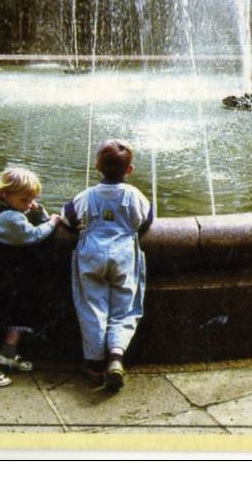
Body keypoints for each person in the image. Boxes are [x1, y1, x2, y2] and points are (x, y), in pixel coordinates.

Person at [61, 140, 154, 390]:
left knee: (91, 304)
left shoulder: (87, 195)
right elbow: (146, 220)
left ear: (97, 167)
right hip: (124, 253)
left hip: (91, 252)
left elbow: (68, 215)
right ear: (130, 170)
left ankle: (94, 363)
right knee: (125, 304)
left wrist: (78, 226)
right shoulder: (134, 195)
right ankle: (116, 355)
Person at [0, 167, 55, 387]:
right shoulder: (9, 218)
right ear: (4, 195)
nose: (29, 204)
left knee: (20, 313)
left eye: (32, 199)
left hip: (13, 278)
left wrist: (37, 210)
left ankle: (8, 353)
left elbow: (30, 221)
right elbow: (34, 235)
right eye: (24, 199)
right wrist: (52, 223)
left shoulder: (11, 210)